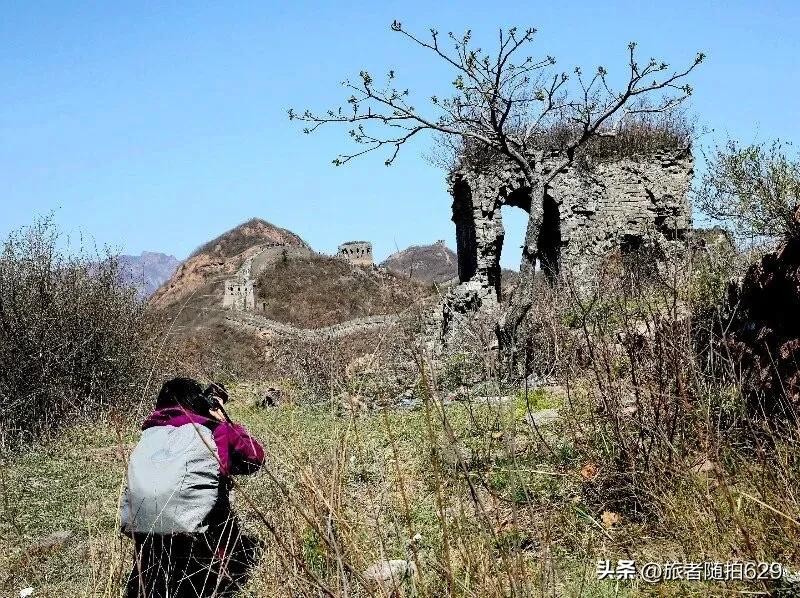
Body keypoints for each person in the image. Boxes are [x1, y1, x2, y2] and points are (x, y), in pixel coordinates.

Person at [121, 377, 264, 597]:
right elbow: (254, 457)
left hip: (143, 530)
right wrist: (224, 420)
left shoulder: (149, 434)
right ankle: (220, 578)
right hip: (197, 537)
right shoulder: (212, 429)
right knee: (219, 500)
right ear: (198, 401)